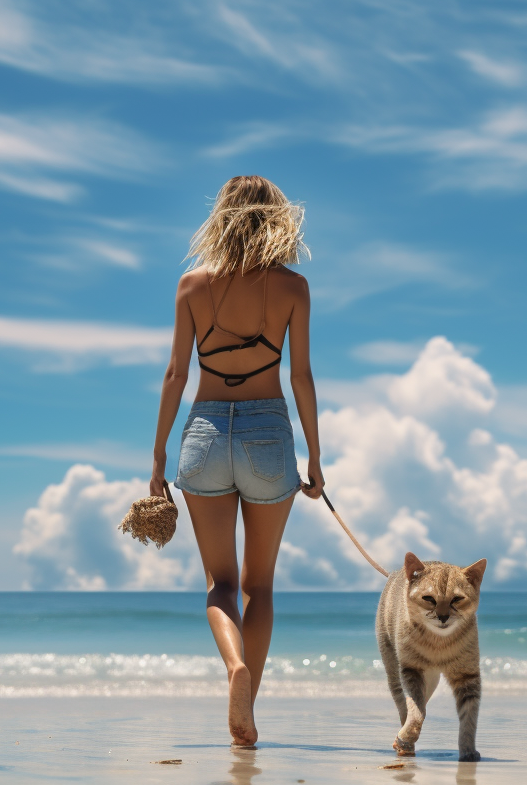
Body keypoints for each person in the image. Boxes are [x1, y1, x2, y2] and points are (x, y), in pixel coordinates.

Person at [150, 175, 324, 747]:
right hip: (268, 433)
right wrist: (316, 457)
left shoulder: (191, 285)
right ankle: (249, 696)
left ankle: (234, 670)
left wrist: (157, 460)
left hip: (202, 434)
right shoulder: (294, 288)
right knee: (261, 587)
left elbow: (176, 374)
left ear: (221, 218)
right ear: (276, 218)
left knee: (220, 584)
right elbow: (300, 376)